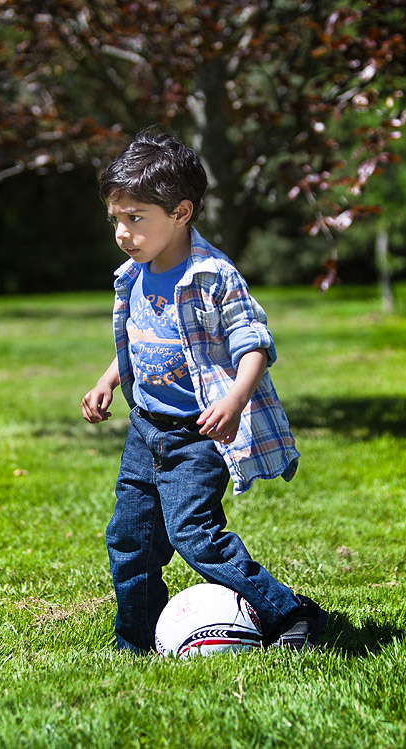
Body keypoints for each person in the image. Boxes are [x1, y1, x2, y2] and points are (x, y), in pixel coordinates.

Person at [81, 125, 327, 654]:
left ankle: (291, 612)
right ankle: (136, 641)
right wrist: (108, 379)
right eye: (116, 220)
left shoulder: (213, 276)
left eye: (135, 218)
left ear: (181, 213)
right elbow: (143, 340)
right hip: (146, 430)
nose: (123, 232)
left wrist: (234, 401)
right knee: (130, 540)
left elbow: (255, 344)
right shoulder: (135, 273)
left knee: (195, 536)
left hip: (197, 435)